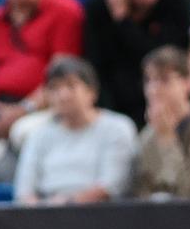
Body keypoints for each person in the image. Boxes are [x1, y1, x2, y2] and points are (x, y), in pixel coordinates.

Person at [83, 0, 190, 125]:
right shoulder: (97, 10)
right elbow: (97, 70)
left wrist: (123, 21)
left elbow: (163, 62)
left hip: (169, 101)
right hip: (119, 110)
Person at [12, 56, 137, 205]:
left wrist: (67, 204)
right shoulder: (37, 135)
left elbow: (111, 185)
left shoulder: (117, 127)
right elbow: (24, 192)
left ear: (92, 91)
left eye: (71, 86)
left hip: (102, 216)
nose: (63, 95)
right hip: (45, 218)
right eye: (55, 88)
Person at [130, 46, 190, 199]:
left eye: (164, 80)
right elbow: (141, 192)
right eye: (149, 80)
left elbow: (188, 191)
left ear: (188, 83)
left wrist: (168, 140)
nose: (153, 89)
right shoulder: (147, 136)